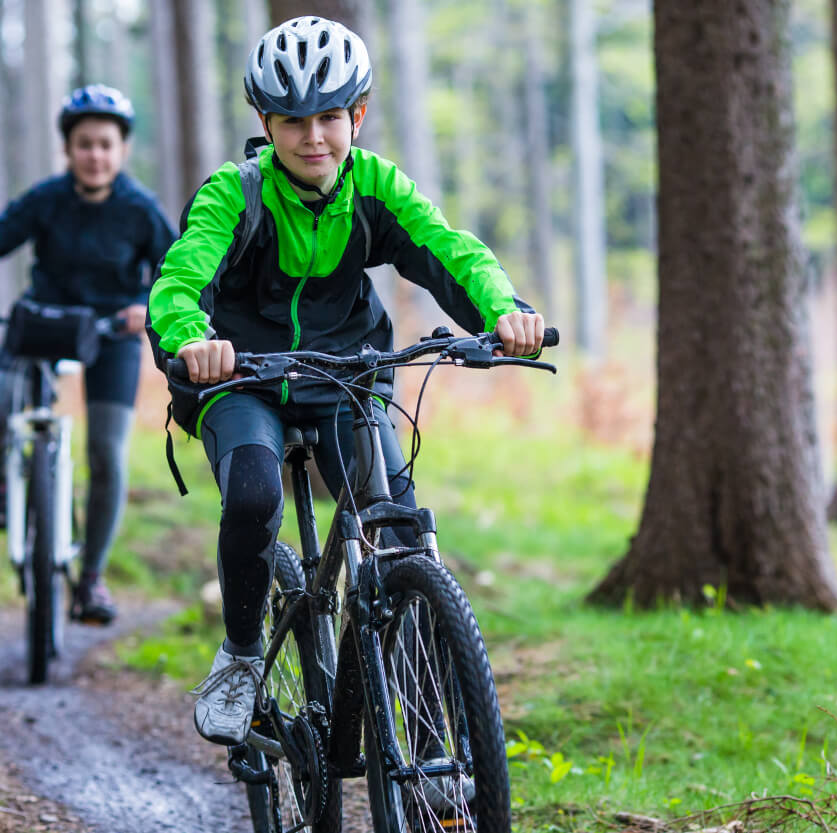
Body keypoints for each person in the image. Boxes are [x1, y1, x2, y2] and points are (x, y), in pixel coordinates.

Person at [147, 17, 544, 746]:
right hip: (243, 378)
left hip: (346, 374)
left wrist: (505, 310)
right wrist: (192, 341)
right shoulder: (234, 194)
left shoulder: (376, 187)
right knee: (257, 493)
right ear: (265, 122)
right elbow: (180, 281)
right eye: (292, 121)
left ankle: (430, 741)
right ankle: (239, 655)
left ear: (356, 115)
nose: (313, 138)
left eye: (330, 116)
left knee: (398, 537)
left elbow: (450, 250)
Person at [0, 84, 177, 625]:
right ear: (68, 149)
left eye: (106, 144)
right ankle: (1, 475)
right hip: (41, 325)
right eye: (84, 144)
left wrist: (143, 307)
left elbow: (177, 270)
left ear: (122, 150)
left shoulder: (140, 210)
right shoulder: (46, 200)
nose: (95, 155)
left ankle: (91, 580)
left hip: (111, 335)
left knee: (106, 454)